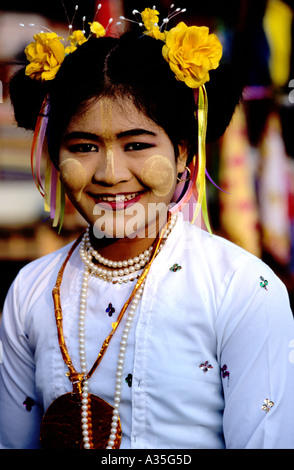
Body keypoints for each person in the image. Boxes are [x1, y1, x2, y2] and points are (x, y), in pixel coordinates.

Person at [1, 6, 294, 450]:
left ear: (182, 156)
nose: (111, 173)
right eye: (83, 146)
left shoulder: (241, 288)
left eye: (137, 144)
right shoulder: (31, 290)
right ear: (55, 158)